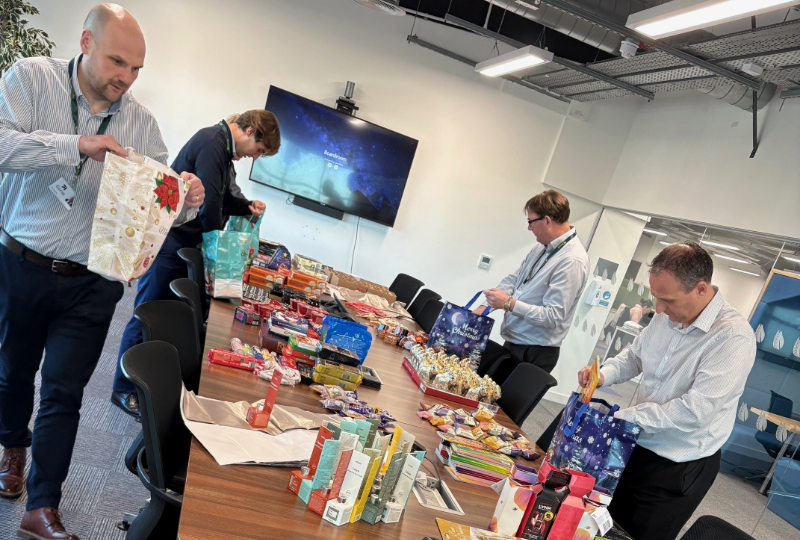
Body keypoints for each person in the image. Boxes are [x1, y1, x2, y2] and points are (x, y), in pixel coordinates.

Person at [0, 5, 207, 539]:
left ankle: (41, 507)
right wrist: (76, 145)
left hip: (93, 283)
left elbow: (164, 201)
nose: (127, 78)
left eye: (137, 69)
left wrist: (187, 199)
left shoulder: (141, 122)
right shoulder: (30, 78)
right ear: (87, 42)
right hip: (20, 262)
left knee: (66, 393)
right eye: (119, 62)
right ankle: (12, 449)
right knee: (12, 376)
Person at [577, 242, 756, 540]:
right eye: (656, 298)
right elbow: (635, 356)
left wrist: (622, 416)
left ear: (701, 289)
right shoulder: (665, 315)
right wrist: (602, 375)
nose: (658, 309)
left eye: (668, 300)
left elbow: (694, 411)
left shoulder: (733, 337)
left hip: (677, 462)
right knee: (601, 523)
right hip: (635, 440)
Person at [110, 110, 280, 415]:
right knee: (147, 312)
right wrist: (219, 249)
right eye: (259, 150)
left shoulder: (221, 150)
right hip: (171, 240)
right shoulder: (213, 143)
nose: (254, 157)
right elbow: (210, 208)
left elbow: (221, 199)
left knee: (160, 314)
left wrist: (245, 207)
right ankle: (123, 389)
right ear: (251, 130)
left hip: (184, 241)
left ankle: (144, 383)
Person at [478, 190, 589, 377]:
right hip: (515, 342)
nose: (529, 228)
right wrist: (483, 309)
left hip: (535, 351)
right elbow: (516, 279)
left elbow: (553, 316)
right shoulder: (541, 247)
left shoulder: (572, 260)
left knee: (502, 405)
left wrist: (508, 303)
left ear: (547, 220)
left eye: (531, 221)